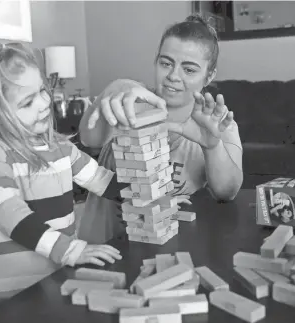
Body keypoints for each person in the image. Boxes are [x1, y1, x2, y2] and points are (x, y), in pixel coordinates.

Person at [0, 42, 124, 315]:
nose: (44, 103)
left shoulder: (59, 147)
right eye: (27, 102)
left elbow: (101, 180)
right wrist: (71, 250)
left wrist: (142, 189)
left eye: (42, 90)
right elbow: (13, 217)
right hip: (3, 286)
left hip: (47, 272)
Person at [78, 14, 243, 244]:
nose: (174, 76)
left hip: (164, 250)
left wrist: (212, 145)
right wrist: (119, 86)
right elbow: (89, 138)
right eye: (166, 63)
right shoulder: (126, 102)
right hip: (101, 249)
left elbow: (227, 193)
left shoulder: (219, 123)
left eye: (189, 70)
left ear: (209, 75)